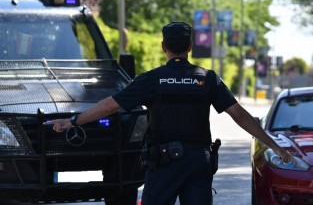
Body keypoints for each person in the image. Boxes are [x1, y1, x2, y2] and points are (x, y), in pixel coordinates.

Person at [44, 22, 294, 205]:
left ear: (164, 47)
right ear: (190, 47)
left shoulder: (152, 79)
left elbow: (111, 105)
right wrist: (274, 146)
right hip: (198, 163)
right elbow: (239, 115)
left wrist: (73, 121)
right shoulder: (207, 79)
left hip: (164, 163)